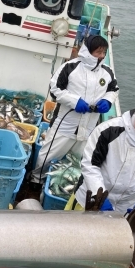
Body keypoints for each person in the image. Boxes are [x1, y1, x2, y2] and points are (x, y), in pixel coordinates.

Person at [30, 35, 119, 190]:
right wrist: (75, 101)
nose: (101, 56)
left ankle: (59, 187)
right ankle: (35, 181)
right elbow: (55, 90)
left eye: (103, 52)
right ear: (88, 51)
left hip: (89, 125)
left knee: (78, 160)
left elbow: (113, 89)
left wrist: (108, 100)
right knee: (48, 155)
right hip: (65, 123)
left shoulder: (107, 72)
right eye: (98, 52)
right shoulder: (70, 67)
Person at [68, 102, 135, 214]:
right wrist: (99, 197)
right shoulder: (108, 130)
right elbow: (90, 166)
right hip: (90, 200)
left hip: (126, 209)